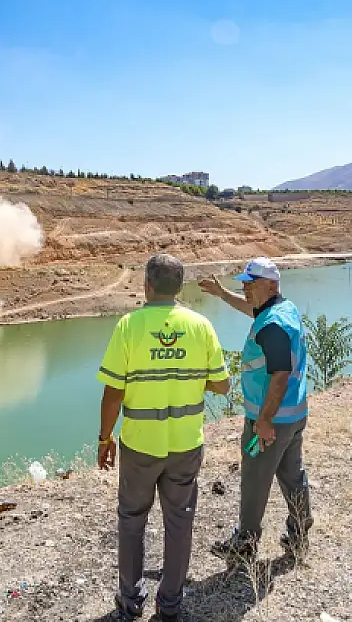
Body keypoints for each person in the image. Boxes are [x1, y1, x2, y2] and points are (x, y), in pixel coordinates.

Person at [97, 253, 230, 622]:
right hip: (186, 444)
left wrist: (104, 439)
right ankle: (169, 605)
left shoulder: (129, 326)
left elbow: (113, 393)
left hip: (140, 444)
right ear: (181, 287)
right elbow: (222, 384)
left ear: (147, 285)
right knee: (179, 521)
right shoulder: (201, 325)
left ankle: (130, 601)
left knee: (132, 519)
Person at [198, 256, 312, 561]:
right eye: (244, 284)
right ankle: (300, 533)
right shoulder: (281, 310)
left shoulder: (273, 324)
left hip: (270, 420)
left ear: (271, 284)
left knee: (253, 479)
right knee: (292, 476)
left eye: (250, 284)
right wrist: (223, 294)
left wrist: (263, 420)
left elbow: (280, 375)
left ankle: (245, 542)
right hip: (293, 414)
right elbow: (252, 309)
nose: (245, 289)